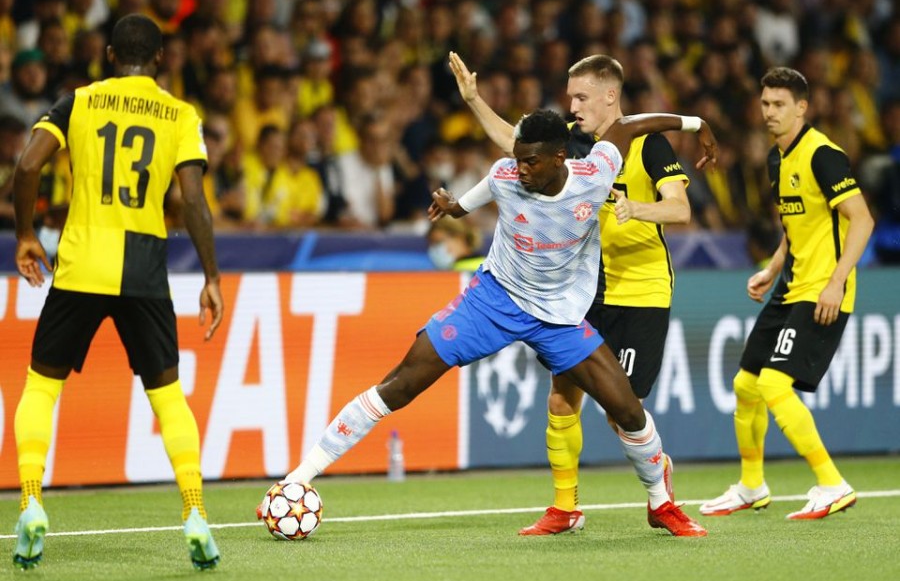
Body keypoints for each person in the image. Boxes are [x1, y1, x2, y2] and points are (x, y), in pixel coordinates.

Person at [272, 108, 717, 539]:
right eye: (517, 157)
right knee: (402, 382)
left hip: (559, 317)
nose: (519, 167)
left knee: (627, 410)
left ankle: (662, 504)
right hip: (494, 300)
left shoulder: (596, 172)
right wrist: (450, 205)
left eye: (531, 160)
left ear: (561, 157)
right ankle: (297, 480)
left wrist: (698, 125)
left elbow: (628, 124)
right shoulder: (506, 175)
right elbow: (466, 206)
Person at [448, 51, 694, 535]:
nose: (573, 105)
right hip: (587, 291)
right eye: (569, 97)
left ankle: (658, 486)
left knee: (622, 413)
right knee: (562, 398)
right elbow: (515, 144)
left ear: (610, 95)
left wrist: (635, 210)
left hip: (641, 291)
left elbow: (681, 210)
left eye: (581, 96)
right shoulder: (575, 147)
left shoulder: (647, 147)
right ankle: (565, 507)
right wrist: (474, 101)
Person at [12, 14, 224, 570]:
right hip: (144, 272)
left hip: (81, 264)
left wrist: (28, 233)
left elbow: (27, 163)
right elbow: (195, 203)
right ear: (158, 60)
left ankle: (32, 501)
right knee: (169, 398)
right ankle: (195, 513)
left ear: (108, 55)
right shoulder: (180, 115)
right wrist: (212, 278)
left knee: (41, 387)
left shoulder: (78, 101)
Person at [700, 67, 874, 520]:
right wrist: (771, 268)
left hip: (821, 291)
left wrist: (836, 282)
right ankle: (751, 486)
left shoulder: (823, 155)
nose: (770, 112)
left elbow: (863, 220)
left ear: (802, 107)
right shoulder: (778, 159)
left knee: (775, 384)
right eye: (765, 104)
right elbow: (795, 226)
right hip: (789, 285)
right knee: (745, 385)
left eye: (779, 104)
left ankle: (832, 483)